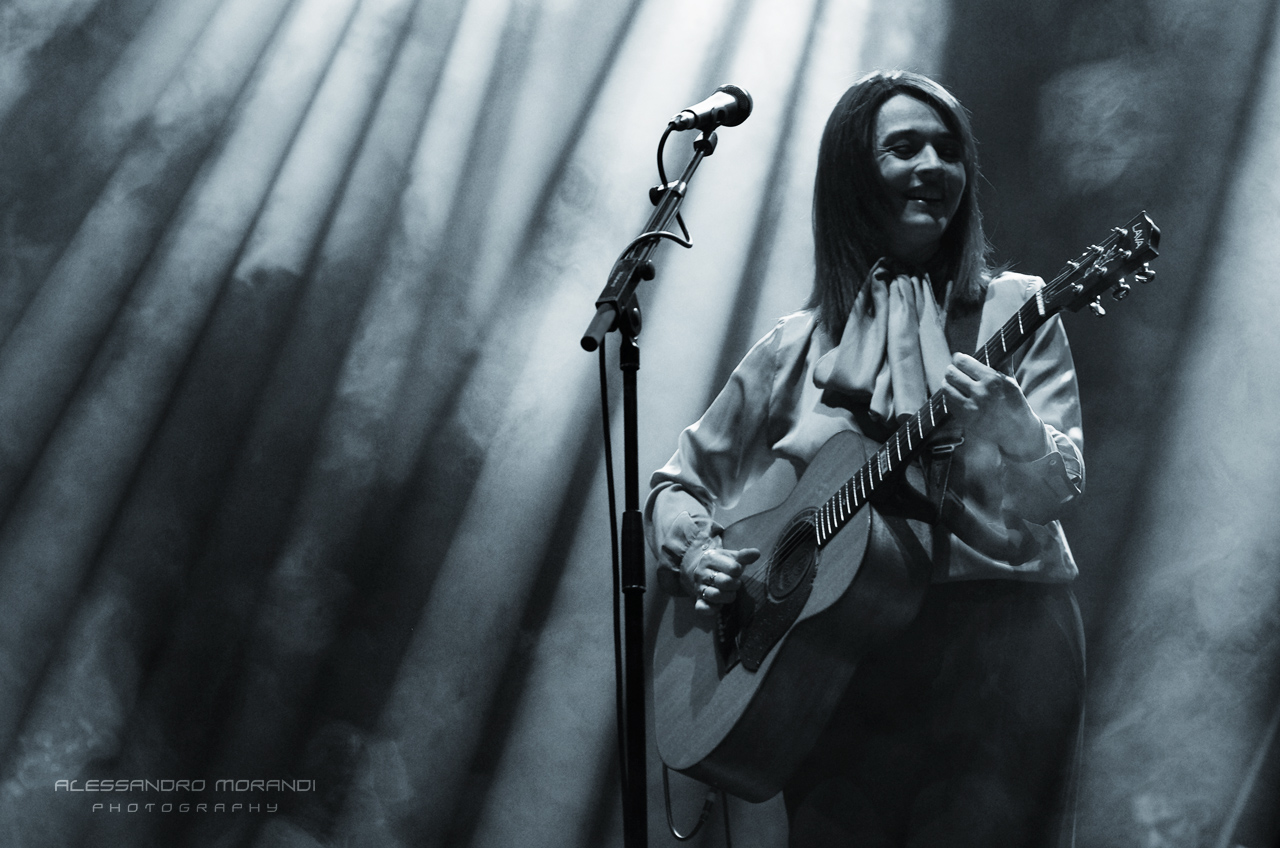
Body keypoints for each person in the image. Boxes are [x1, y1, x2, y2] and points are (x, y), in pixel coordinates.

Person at [644, 70, 1086, 847]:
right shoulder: (795, 345)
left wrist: (1018, 425)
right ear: (855, 175)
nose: (932, 167)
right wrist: (699, 552)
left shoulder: (1022, 307)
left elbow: (1060, 487)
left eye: (948, 151)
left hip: (1004, 643)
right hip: (837, 655)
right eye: (903, 148)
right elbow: (679, 484)